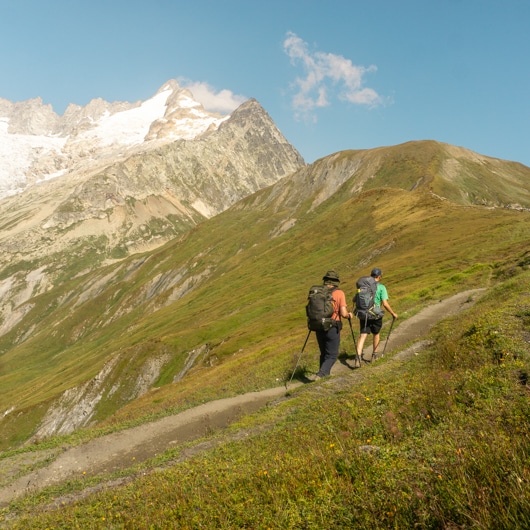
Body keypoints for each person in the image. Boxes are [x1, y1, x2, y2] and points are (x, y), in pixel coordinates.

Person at [312, 270, 353, 379]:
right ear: (336, 281)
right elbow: (343, 314)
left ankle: (324, 374)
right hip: (332, 326)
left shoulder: (317, 292)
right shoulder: (339, 293)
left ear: (325, 280)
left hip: (318, 325)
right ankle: (321, 375)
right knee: (332, 355)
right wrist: (349, 315)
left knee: (324, 353)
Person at [356, 267, 398, 362]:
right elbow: (385, 303)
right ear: (379, 276)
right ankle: (374, 356)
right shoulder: (381, 287)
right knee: (376, 334)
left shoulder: (364, 286)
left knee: (363, 335)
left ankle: (357, 358)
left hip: (364, 314)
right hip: (375, 314)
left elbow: (354, 299)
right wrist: (393, 313)